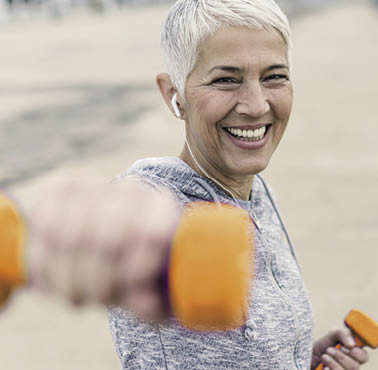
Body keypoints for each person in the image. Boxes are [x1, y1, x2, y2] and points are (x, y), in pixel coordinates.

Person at [26, 0, 370, 369]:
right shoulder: (159, 204)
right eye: (226, 79)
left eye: (274, 76)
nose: (256, 105)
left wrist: (298, 358)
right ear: (173, 93)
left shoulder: (261, 195)